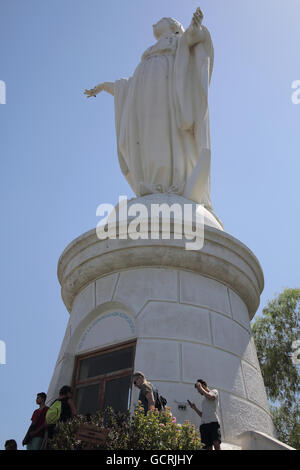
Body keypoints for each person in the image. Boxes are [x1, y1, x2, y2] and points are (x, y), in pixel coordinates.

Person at [84, 8, 215, 211]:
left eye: (162, 19)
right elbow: (126, 89)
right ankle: (152, 186)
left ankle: (174, 184)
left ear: (173, 27)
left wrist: (194, 30)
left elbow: (192, 41)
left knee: (167, 134)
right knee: (147, 138)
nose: (155, 23)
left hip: (170, 95)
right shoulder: (148, 58)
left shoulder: (177, 43)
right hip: (146, 102)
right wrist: (104, 87)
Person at [188, 379, 222, 450]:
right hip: (204, 425)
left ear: (203, 385)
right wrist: (194, 408)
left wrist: (201, 388)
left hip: (213, 422)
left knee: (216, 442)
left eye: (199, 389)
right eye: (198, 390)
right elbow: (202, 415)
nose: (199, 391)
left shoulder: (214, 391)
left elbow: (211, 397)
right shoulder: (204, 401)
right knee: (208, 447)